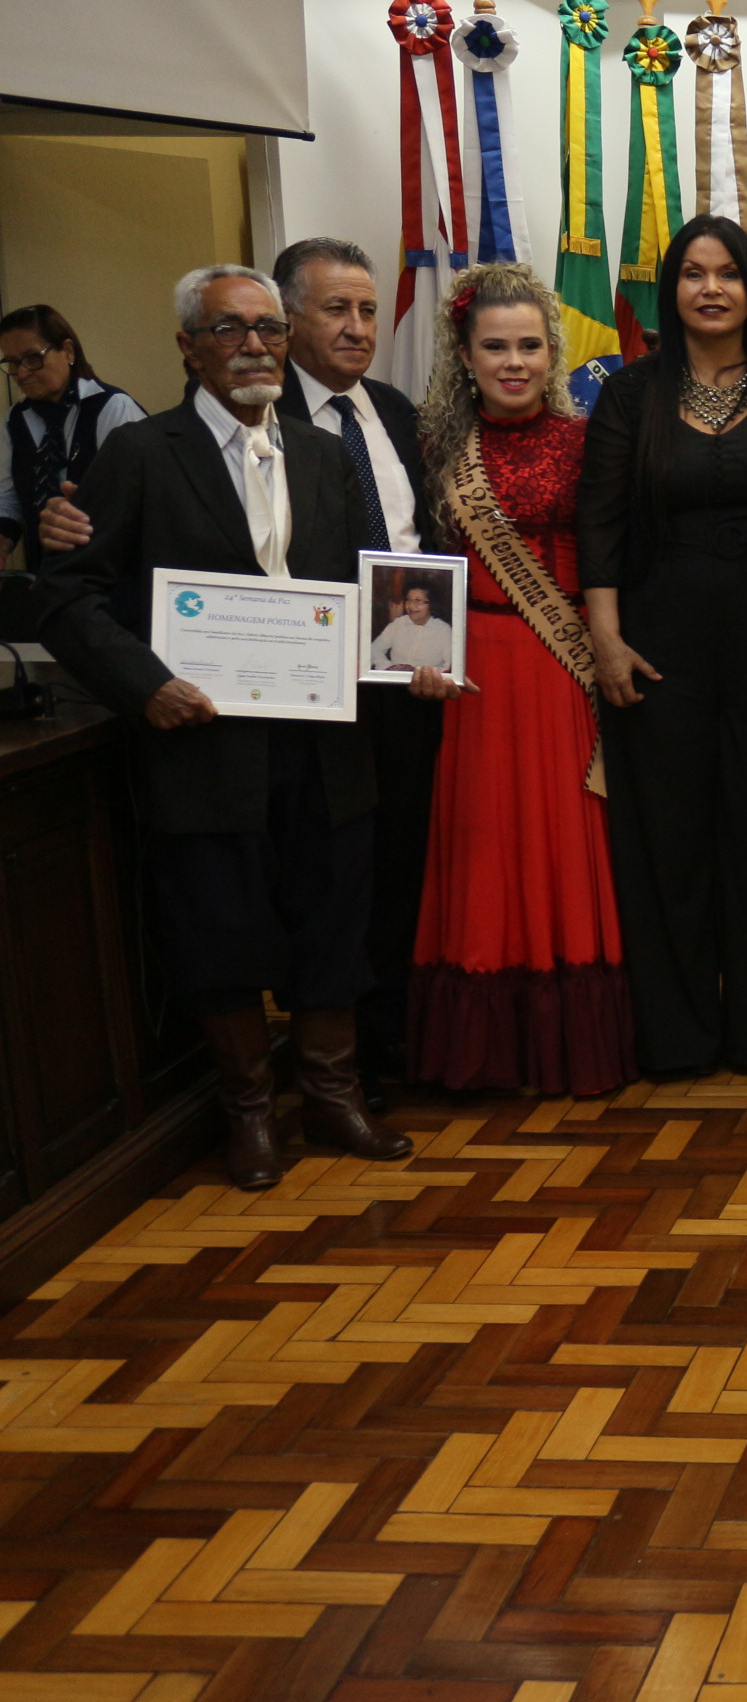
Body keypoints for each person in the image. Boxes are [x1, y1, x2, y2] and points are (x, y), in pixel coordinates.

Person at [33, 265, 413, 1189]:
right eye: (231, 329)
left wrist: (413, 651)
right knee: (221, 930)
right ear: (188, 347)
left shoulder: (323, 453)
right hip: (204, 747)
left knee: (334, 925)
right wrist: (147, 685)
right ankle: (249, 1115)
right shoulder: (138, 455)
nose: (255, 346)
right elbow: (68, 600)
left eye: (270, 329)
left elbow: (367, 593)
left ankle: (332, 1097)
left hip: (326, 745)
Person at [580, 215, 747, 1078]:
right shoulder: (630, 393)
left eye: (727, 273)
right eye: (692, 272)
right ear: (669, 289)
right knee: (668, 845)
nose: (710, 287)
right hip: (658, 651)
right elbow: (598, 525)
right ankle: (678, 1040)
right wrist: (605, 640)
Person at [404, 263, 633, 1097]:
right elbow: (413, 567)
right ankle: (485, 1056)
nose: (514, 362)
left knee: (568, 842)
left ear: (553, 353)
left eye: (530, 346)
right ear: (464, 355)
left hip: (566, 667)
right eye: (494, 346)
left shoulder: (590, 441)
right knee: (485, 845)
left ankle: (573, 1048)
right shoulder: (432, 450)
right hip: (473, 677)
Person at [274, 238, 439, 1099]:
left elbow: (423, 546)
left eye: (368, 310)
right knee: (336, 878)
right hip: (317, 695)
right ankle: (338, 1067)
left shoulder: (395, 411)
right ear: (287, 318)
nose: (357, 327)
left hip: (410, 688)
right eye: (335, 309)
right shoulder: (262, 422)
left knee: (406, 863)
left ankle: (395, 1041)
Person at [0, 305, 143, 559]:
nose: (21, 373)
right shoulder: (15, 420)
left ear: (67, 351)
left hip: (107, 575)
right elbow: (8, 500)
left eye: (33, 358)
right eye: (11, 363)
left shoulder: (111, 408)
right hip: (45, 576)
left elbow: (140, 504)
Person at [369, 584, 454, 671]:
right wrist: (389, 667)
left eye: (418, 601)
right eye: (408, 600)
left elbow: (448, 667)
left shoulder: (444, 630)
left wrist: (421, 674)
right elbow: (374, 649)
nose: (410, 606)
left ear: (431, 604)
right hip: (393, 680)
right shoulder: (398, 624)